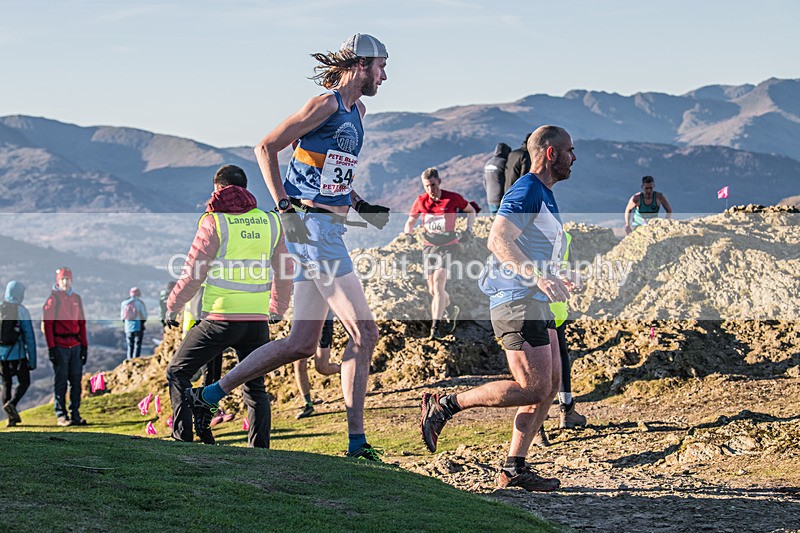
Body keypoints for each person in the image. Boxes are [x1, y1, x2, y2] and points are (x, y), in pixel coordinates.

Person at [184, 33, 390, 461]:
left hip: (329, 228)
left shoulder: (358, 112)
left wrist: (359, 204)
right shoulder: (327, 104)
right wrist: (284, 207)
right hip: (311, 231)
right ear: (361, 65)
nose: (385, 76)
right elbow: (266, 146)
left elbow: (326, 171)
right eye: (381, 66)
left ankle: (206, 396)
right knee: (364, 331)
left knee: (300, 344)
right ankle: (357, 443)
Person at [420, 125, 577, 492]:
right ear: (551, 153)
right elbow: (498, 239)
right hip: (515, 298)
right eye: (569, 150)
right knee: (533, 387)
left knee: (549, 386)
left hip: (536, 299)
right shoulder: (526, 189)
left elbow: (533, 247)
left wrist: (557, 276)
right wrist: (537, 276)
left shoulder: (545, 194)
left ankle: (514, 468)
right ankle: (445, 405)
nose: (574, 158)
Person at [164, 164, 293, 448]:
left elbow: (193, 272)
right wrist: (278, 308)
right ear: (246, 189)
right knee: (254, 385)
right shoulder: (271, 221)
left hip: (220, 320)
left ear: (218, 189)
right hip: (257, 320)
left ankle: (182, 439)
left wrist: (173, 305)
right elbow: (285, 270)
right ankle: (259, 451)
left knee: (178, 372)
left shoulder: (214, 221)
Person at [403, 167, 476, 339]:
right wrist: (408, 235)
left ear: (439, 182)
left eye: (433, 185)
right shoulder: (421, 201)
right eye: (427, 186)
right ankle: (451, 309)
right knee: (433, 291)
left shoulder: (452, 198)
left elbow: (471, 210)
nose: (430, 190)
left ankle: (435, 328)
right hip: (429, 247)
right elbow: (410, 221)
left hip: (449, 246)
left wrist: (468, 230)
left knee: (438, 284)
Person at [532, 231, 587, 448]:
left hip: (540, 308)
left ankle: (541, 424)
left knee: (540, 365)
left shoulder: (525, 233)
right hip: (549, 308)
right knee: (557, 360)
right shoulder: (564, 235)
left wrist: (567, 281)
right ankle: (565, 412)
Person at [43, 266, 89, 427]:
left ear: (71, 280)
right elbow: (47, 325)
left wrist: (84, 346)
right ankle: (61, 415)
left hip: (75, 345)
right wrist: (51, 348)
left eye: (68, 279)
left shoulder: (76, 298)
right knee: (61, 382)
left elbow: (82, 323)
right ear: (58, 281)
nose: (65, 282)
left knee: (76, 382)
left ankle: (75, 413)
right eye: (63, 279)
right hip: (60, 346)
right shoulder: (53, 299)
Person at [0, 281, 37, 426]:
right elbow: (29, 337)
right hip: (18, 355)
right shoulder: (21, 311)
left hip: (2, 357)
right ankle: (12, 404)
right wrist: (32, 362)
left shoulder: (1, 309)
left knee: (6, 384)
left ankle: (11, 419)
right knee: (24, 381)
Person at [292, 311, 341, 419]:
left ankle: (344, 370)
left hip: (323, 319)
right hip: (303, 319)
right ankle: (308, 404)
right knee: (299, 362)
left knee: (322, 368)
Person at [120, 287, 148, 359]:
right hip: (138, 326)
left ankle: (129, 359)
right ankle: (135, 359)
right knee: (137, 344)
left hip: (128, 327)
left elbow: (122, 316)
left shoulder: (124, 303)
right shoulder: (140, 303)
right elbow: (144, 316)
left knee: (130, 345)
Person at [484, 142, 511, 214]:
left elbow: (485, 182)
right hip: (501, 198)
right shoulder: (504, 163)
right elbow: (509, 180)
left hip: (490, 197)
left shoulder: (488, 163)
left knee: (493, 221)